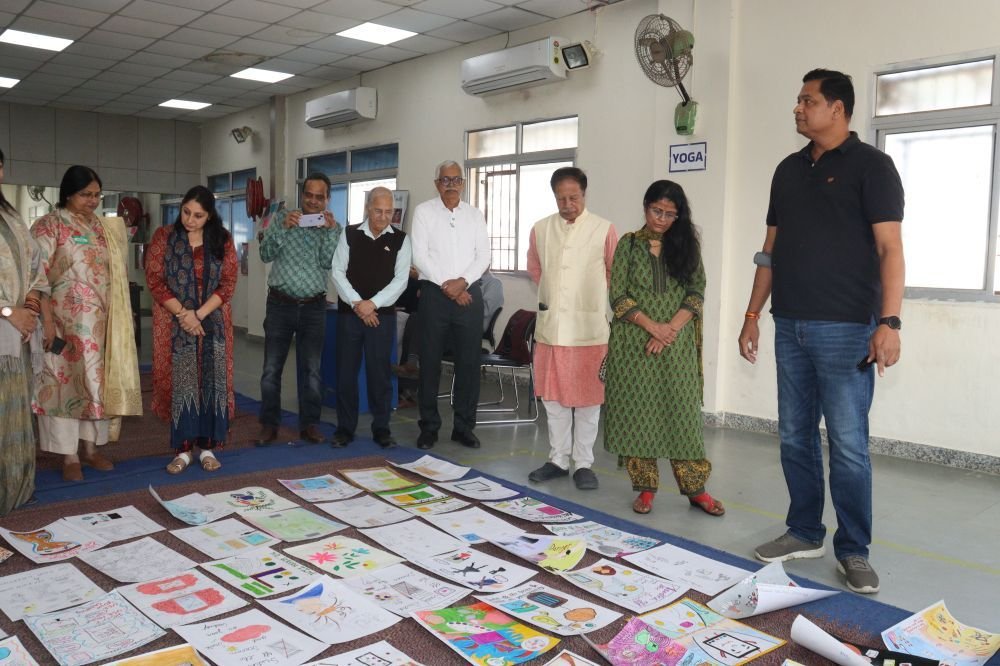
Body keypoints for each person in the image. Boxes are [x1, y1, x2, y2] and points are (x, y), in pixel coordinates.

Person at [738, 69, 904, 594]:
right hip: (789, 324)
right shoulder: (787, 171)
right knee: (795, 435)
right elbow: (770, 250)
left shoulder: (872, 167)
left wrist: (889, 322)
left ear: (837, 108)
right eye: (798, 100)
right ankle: (805, 530)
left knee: (849, 444)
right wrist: (751, 315)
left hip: (847, 329)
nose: (798, 108)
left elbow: (890, 250)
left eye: (807, 100)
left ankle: (853, 550)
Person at [604, 180, 723, 516]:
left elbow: (696, 292)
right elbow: (618, 296)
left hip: (676, 344)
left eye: (671, 214)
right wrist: (651, 327)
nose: (662, 219)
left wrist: (668, 329)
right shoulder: (628, 244)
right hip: (634, 346)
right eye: (657, 211)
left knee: (682, 416)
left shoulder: (687, 246)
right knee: (638, 414)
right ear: (645, 207)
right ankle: (645, 489)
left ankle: (696, 490)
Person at [32, 165, 142, 482]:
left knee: (96, 387)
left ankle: (91, 449)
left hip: (100, 327)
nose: (93, 201)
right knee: (64, 388)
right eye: (86, 195)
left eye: (97, 195)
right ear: (68, 193)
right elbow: (36, 278)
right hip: (62, 325)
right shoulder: (49, 226)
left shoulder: (102, 227)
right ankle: (68, 455)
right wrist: (46, 322)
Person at [526, 167, 618, 490]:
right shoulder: (540, 229)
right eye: (561, 198)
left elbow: (614, 272)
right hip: (552, 329)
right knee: (554, 400)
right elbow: (535, 269)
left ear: (584, 194)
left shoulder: (604, 229)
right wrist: (558, 296)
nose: (568, 204)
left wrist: (586, 298)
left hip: (589, 330)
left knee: (589, 401)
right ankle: (558, 460)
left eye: (574, 197)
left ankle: (583, 464)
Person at [145, 185, 238, 473]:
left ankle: (208, 448)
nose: (190, 220)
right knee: (182, 382)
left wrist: (198, 315)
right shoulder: (164, 237)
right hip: (174, 322)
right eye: (186, 212)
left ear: (209, 216)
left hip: (212, 321)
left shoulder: (222, 239)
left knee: (212, 381)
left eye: (198, 216)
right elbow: (154, 279)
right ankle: (183, 450)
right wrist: (184, 315)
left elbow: (228, 283)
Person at [410, 160, 490, 450]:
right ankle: (429, 427)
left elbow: (483, 256)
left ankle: (464, 427)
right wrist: (450, 286)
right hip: (435, 296)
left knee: (468, 364)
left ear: (463, 184)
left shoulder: (475, 215)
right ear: (437, 184)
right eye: (445, 180)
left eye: (456, 180)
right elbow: (419, 256)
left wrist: (463, 282)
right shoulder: (423, 212)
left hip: (469, 295)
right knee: (430, 363)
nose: (451, 185)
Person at [257, 173, 341, 445]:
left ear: (327, 199)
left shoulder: (334, 228)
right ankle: (269, 425)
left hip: (314, 308)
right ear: (302, 195)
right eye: (309, 195)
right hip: (280, 305)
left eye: (320, 197)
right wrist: (284, 228)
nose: (313, 202)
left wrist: (329, 233)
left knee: (312, 371)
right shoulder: (282, 218)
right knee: (271, 370)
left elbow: (328, 263)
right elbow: (265, 254)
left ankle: (310, 425)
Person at [330, 186, 412, 448]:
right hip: (350, 316)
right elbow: (337, 272)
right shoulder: (349, 234)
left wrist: (372, 305)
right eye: (378, 211)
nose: (383, 217)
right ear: (368, 208)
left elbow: (401, 281)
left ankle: (382, 429)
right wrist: (358, 305)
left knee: (380, 375)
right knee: (346, 374)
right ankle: (345, 429)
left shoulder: (401, 239)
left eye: (389, 212)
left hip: (381, 317)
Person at [0, 148, 46, 512]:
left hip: (17, 334)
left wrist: (29, 309)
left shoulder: (11, 216)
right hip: (6, 324)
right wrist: (8, 312)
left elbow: (36, 266)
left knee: (15, 410)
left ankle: (14, 488)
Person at [480, 268, 504, 336]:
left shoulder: (495, 283)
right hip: (468, 319)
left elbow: (486, 311)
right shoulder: (472, 280)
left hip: (479, 323)